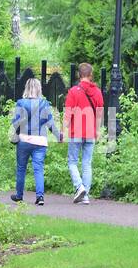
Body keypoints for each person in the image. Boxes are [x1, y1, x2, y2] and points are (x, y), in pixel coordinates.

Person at [10, 77, 61, 205]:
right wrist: (58, 135)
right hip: (40, 141)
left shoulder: (21, 103)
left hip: (24, 140)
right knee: (38, 169)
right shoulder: (45, 103)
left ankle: (19, 195)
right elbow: (50, 123)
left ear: (27, 88)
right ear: (39, 89)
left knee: (21, 168)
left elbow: (16, 122)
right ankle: (40, 197)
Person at [63, 62, 104, 204]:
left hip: (76, 132)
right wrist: (97, 130)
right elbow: (99, 114)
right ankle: (85, 195)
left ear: (79, 75)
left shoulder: (73, 91)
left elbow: (68, 113)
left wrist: (64, 129)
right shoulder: (97, 92)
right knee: (87, 163)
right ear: (91, 75)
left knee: (72, 161)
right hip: (91, 132)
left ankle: (79, 187)